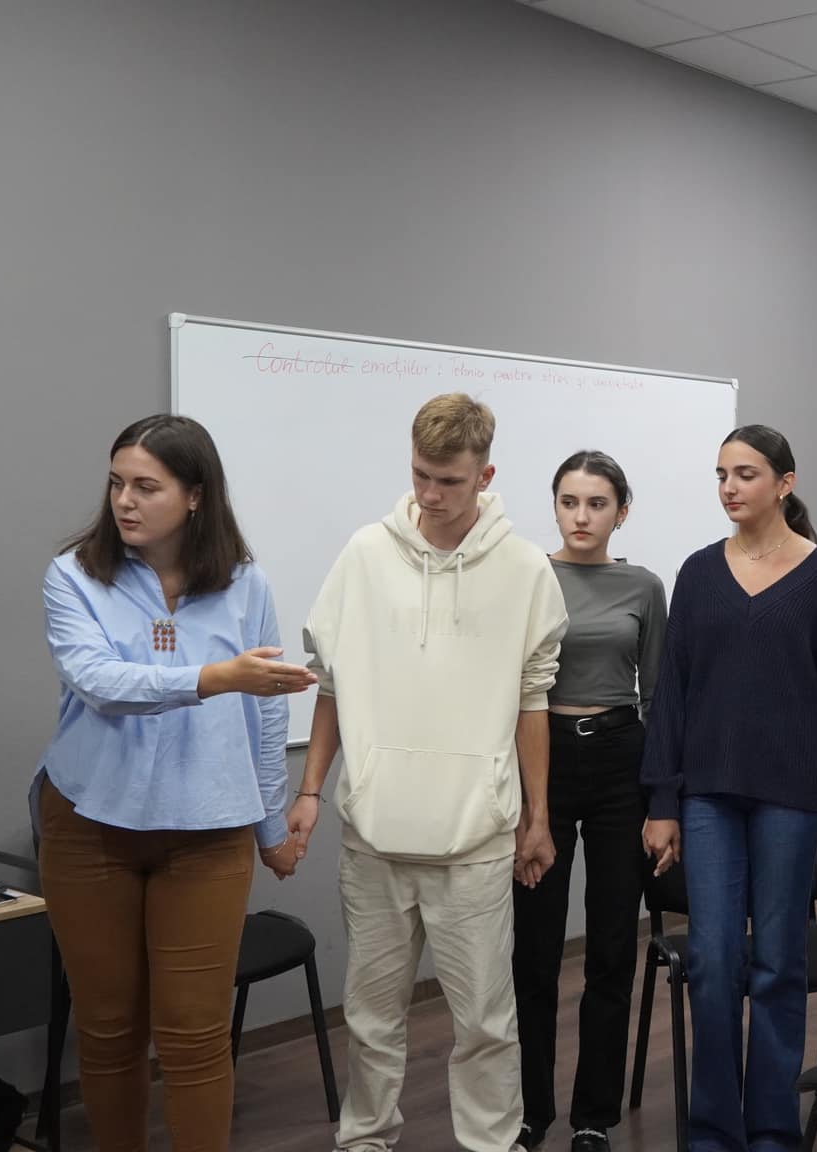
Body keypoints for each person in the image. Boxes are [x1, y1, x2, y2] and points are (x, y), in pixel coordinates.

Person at [292, 393, 567, 1152]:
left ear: (486, 475)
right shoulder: (364, 554)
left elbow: (533, 699)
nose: (431, 494)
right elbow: (332, 684)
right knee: (370, 1018)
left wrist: (537, 819)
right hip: (375, 837)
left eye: (450, 480)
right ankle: (365, 1139)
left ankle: (489, 1144)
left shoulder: (525, 570)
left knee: (485, 1024)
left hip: (475, 840)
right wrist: (310, 788)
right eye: (421, 475)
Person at [34, 414, 311, 1152]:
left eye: (146, 487)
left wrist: (272, 828)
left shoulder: (246, 584)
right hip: (90, 825)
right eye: (117, 483)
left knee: (193, 1034)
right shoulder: (74, 576)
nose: (125, 501)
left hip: (207, 831)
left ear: (194, 495)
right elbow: (99, 682)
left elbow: (265, 715)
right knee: (108, 1030)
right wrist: (212, 677)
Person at [640, 424, 817, 1152]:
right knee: (712, 962)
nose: (729, 488)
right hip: (707, 793)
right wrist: (661, 800)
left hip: (792, 797)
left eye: (745, 474)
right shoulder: (697, 572)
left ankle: (772, 1132)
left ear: (784, 483)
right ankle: (714, 1134)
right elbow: (671, 694)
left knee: (777, 963)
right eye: (721, 474)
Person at [511, 451, 668, 1152]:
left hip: (619, 758)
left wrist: (661, 801)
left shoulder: (643, 586)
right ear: (554, 506)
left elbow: (657, 698)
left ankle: (593, 1117)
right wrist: (525, 807)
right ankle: (529, 1111)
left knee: (610, 945)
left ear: (620, 513)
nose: (581, 516)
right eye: (569, 502)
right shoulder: (526, 576)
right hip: (541, 758)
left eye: (597, 503)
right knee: (535, 949)